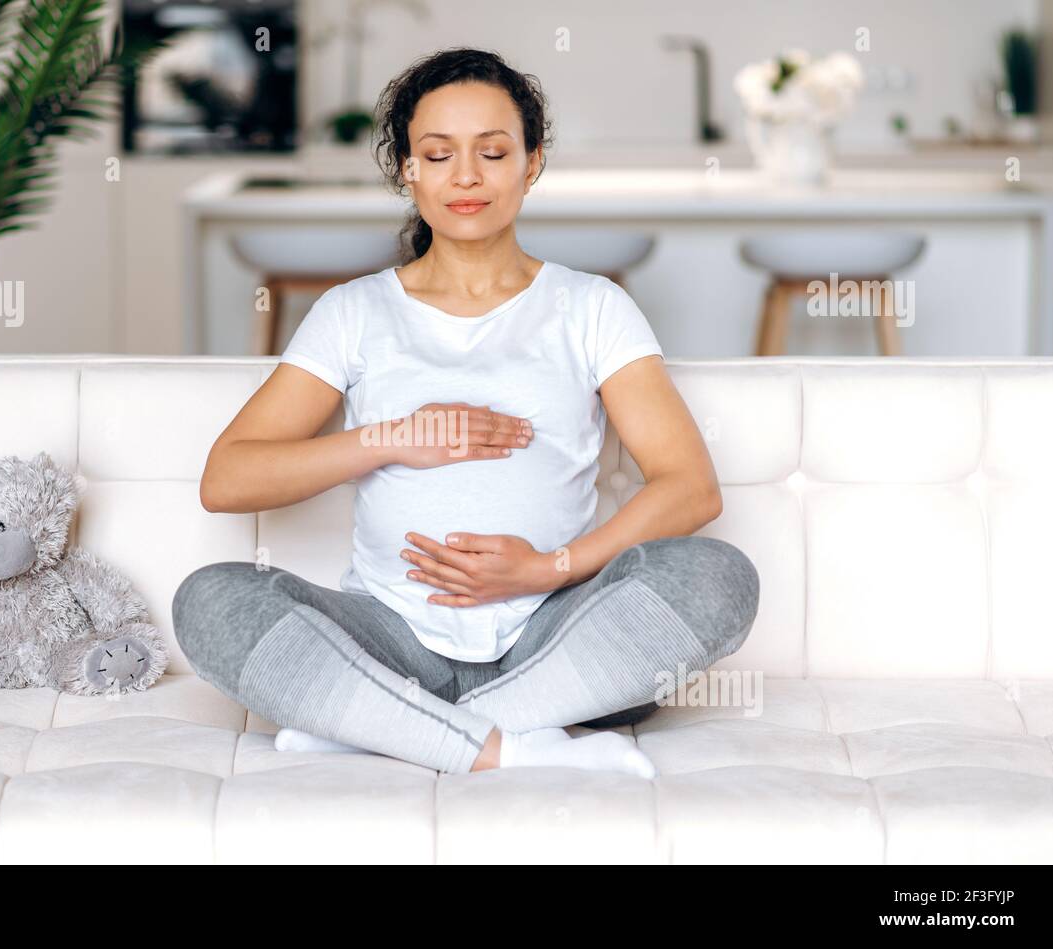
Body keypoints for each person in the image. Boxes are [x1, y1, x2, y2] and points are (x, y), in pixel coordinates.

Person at [173, 47, 759, 775]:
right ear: (407, 169)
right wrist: (391, 439)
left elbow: (689, 487)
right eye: (438, 154)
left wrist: (549, 569)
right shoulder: (353, 313)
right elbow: (227, 480)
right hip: (388, 640)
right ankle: (518, 745)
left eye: (493, 151)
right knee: (211, 598)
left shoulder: (592, 307)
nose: (467, 177)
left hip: (554, 636)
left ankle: (379, 726)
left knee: (718, 575)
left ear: (532, 161)